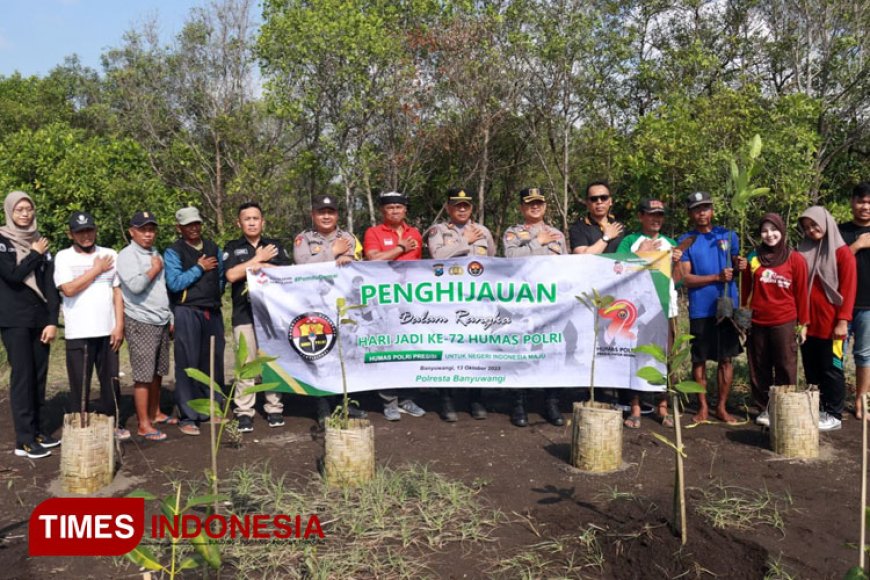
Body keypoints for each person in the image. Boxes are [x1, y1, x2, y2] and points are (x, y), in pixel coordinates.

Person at [54, 211, 128, 441]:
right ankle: (81, 424)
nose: (86, 235)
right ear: (71, 234)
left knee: (111, 380)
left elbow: (117, 291)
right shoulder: (64, 257)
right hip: (79, 331)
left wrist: (119, 325)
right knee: (80, 382)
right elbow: (68, 289)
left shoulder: (110, 254)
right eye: (80, 232)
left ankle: (114, 423)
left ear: (95, 230)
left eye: (89, 230)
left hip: (107, 330)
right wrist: (96, 270)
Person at [294, 194, 367, 425]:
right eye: (321, 212)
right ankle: (322, 404)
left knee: (345, 354)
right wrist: (333, 252)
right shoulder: (303, 238)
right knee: (321, 353)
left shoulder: (349, 237)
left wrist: (348, 258)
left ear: (337, 214)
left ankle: (346, 402)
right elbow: (302, 265)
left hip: (343, 305)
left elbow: (361, 265)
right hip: (314, 305)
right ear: (313, 215)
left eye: (331, 212)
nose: (326, 216)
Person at [426, 187, 495, 421]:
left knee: (477, 348)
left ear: (471, 208)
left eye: (466, 205)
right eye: (457, 205)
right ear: (448, 208)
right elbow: (437, 256)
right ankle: (447, 400)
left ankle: (475, 398)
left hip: (478, 300)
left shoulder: (483, 231)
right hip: (448, 301)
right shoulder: (438, 231)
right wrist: (464, 242)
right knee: (449, 349)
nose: (462, 209)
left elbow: (494, 260)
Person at [0, 191, 60, 458]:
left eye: (29, 209)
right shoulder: (2, 241)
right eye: (19, 210)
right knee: (23, 377)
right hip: (14, 319)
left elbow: (49, 286)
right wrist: (35, 255)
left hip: (39, 320)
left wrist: (51, 321)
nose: (25, 214)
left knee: (39, 376)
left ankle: (38, 432)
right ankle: (23, 440)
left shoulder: (40, 242)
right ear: (10, 212)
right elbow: (12, 276)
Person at [224, 201, 291, 432]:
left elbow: (286, 274)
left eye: (255, 218)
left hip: (272, 316)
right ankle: (244, 412)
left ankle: (274, 408)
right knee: (247, 364)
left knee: (272, 362)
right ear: (239, 222)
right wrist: (258, 260)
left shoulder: (276, 245)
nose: (251, 222)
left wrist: (257, 264)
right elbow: (232, 275)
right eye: (247, 219)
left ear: (263, 221)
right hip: (244, 314)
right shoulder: (233, 247)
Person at [678, 191, 745, 424]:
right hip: (700, 309)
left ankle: (722, 407)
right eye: (697, 209)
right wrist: (716, 277)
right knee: (700, 359)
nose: (702, 212)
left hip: (726, 306)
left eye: (706, 207)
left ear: (712, 210)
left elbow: (736, 265)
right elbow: (686, 278)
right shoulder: (686, 240)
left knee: (726, 359)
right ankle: (703, 407)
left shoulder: (728, 235)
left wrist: (740, 266)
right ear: (690, 213)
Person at [616, 198, 683, 429]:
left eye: (660, 215)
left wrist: (678, 262)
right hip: (637, 310)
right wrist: (640, 254)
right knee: (636, 356)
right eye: (651, 214)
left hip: (666, 309)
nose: (656, 219)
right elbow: (616, 269)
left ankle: (662, 407)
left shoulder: (671, 243)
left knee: (666, 358)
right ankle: (635, 408)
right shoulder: (630, 241)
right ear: (640, 216)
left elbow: (678, 279)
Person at [503, 187, 567, 427]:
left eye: (539, 203)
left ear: (545, 206)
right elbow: (510, 258)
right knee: (521, 351)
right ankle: (519, 404)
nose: (535, 206)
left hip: (551, 302)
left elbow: (567, 267)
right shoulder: (514, 232)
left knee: (553, 351)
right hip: (523, 301)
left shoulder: (557, 234)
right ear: (521, 207)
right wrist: (537, 242)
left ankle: (551, 403)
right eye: (530, 203)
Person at [363, 191, 426, 421]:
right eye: (390, 208)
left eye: (399, 207)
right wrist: (400, 248)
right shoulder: (374, 232)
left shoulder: (415, 233)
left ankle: (407, 398)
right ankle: (389, 401)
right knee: (388, 349)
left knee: (411, 348)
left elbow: (420, 265)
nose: (395, 211)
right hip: (386, 300)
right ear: (383, 211)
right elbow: (372, 259)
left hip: (412, 300)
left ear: (405, 210)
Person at [742, 213, 809, 427]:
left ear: (782, 230)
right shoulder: (752, 258)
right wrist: (743, 320)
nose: (769, 235)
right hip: (757, 322)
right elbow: (745, 291)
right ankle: (764, 409)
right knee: (759, 367)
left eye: (774, 229)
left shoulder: (795, 259)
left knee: (785, 366)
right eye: (764, 230)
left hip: (784, 321)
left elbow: (802, 294)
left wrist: (804, 324)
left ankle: (785, 408)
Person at [164, 207, 226, 436]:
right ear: (179, 228)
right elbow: (175, 283)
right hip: (186, 311)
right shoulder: (173, 251)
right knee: (187, 363)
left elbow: (220, 280)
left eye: (197, 223)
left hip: (212, 311)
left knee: (212, 360)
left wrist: (210, 296)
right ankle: (188, 415)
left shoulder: (213, 248)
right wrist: (199, 268)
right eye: (188, 225)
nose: (194, 228)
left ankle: (212, 407)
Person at [116, 211, 175, 441]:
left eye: (151, 229)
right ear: (132, 231)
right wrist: (154, 269)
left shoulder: (154, 253)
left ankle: (155, 412)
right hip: (140, 320)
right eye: (143, 229)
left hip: (160, 319)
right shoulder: (127, 255)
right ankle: (143, 424)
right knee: (143, 375)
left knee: (159, 372)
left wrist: (170, 315)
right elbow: (136, 285)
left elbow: (161, 290)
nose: (148, 234)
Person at [798, 206, 857, 431]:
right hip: (809, 323)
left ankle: (834, 414)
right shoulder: (804, 251)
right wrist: (801, 322)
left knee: (832, 368)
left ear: (826, 223)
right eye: (807, 227)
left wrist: (843, 321)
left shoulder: (842, 253)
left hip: (832, 325)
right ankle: (819, 408)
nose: (812, 230)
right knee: (811, 368)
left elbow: (849, 290)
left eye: (814, 224)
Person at [840, 182, 870, 419]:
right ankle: (835, 400)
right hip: (842, 305)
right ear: (852, 202)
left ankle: (861, 402)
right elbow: (834, 263)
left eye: (869, 202)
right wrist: (858, 245)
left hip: (868, 307)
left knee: (864, 355)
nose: (865, 206)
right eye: (861, 201)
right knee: (836, 353)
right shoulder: (840, 232)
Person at [569, 180, 624, 254]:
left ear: (610, 201)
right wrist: (606, 238)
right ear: (587, 202)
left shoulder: (619, 227)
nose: (599, 202)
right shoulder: (578, 228)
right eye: (593, 199)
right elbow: (582, 257)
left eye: (604, 198)